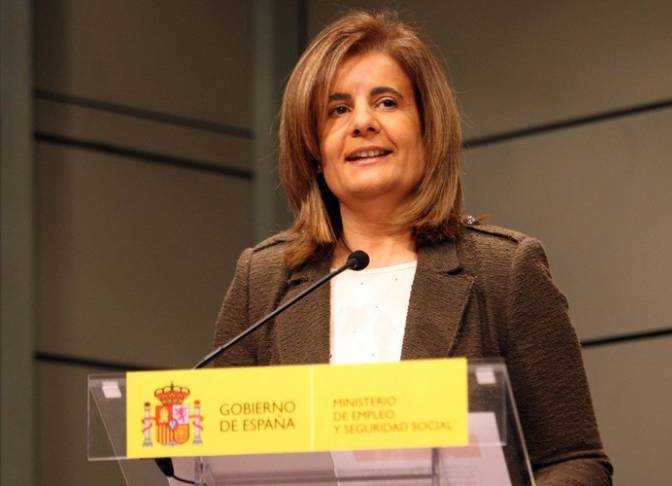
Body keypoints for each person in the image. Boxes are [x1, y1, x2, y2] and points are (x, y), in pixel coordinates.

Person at [213, 9, 612, 485]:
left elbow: (576, 461)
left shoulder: (504, 272)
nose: (362, 122)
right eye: (337, 110)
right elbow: (214, 452)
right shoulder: (263, 281)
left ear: (427, 130)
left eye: (386, 102)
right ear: (314, 150)